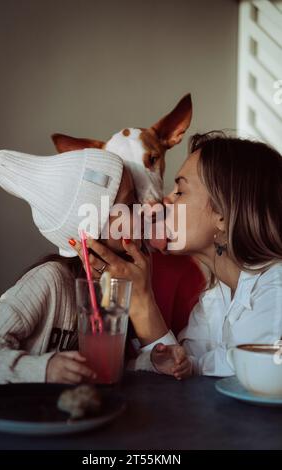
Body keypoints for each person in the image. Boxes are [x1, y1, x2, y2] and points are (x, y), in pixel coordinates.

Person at [0, 147, 204, 383]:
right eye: (129, 204)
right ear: (91, 226)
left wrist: (151, 363)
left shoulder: (116, 285)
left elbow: (104, 368)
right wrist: (42, 369)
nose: (142, 210)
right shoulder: (51, 279)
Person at [73, 132, 282, 379]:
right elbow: (180, 366)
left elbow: (249, 374)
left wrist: (141, 302)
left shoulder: (275, 289)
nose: (165, 201)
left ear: (222, 216)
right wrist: (143, 298)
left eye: (180, 192)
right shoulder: (215, 298)